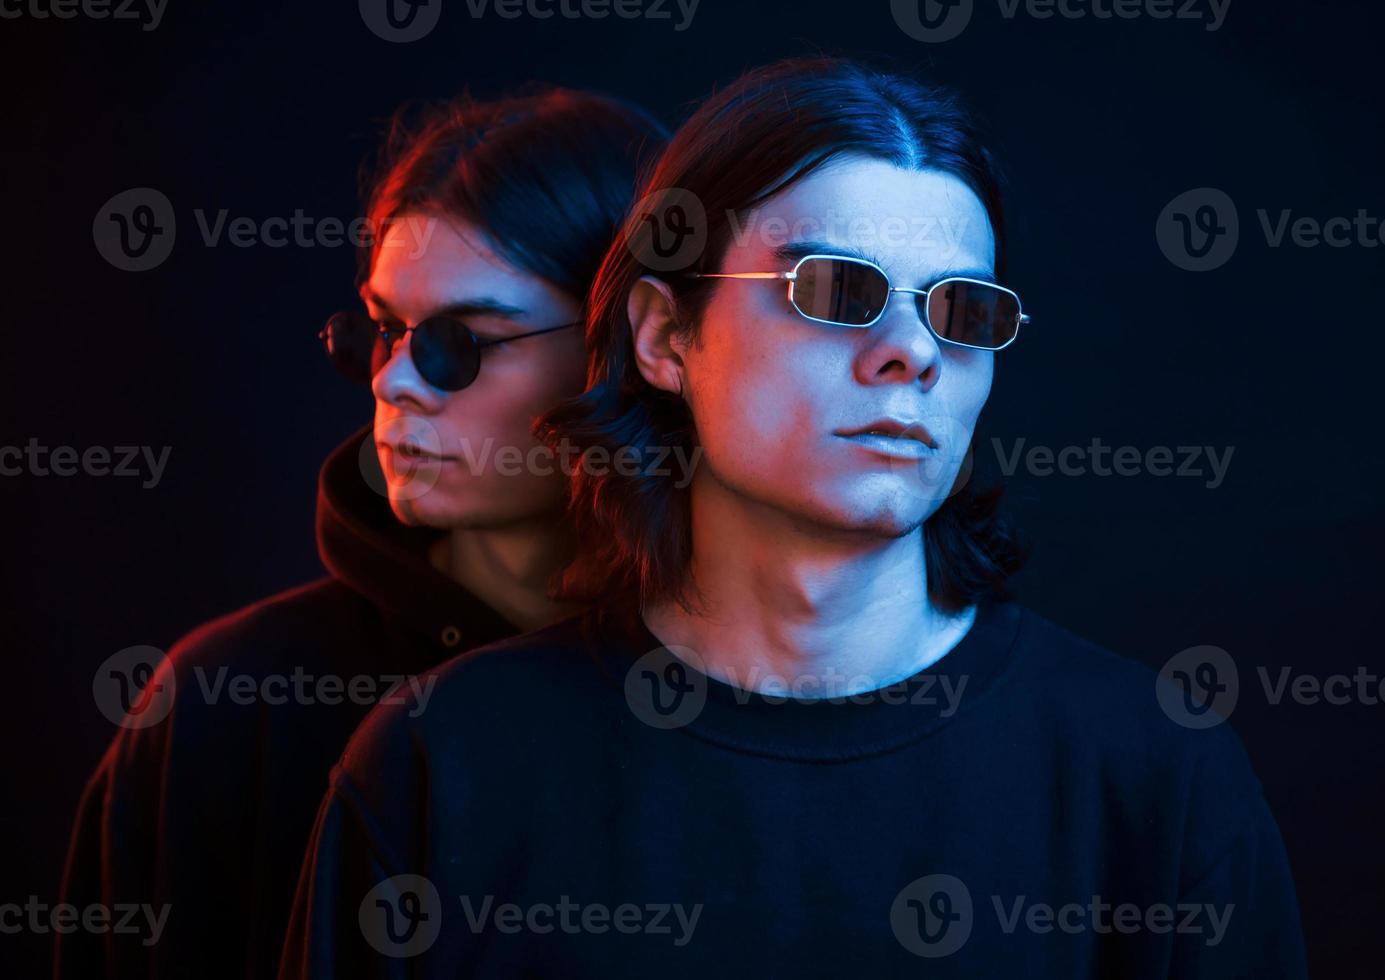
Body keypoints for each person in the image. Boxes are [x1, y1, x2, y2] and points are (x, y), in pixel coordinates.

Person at [279, 57, 1308, 977]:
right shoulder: (445, 762)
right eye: (836, 289)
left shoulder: (1151, 772)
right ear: (665, 335)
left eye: (963, 309)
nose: (911, 351)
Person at [54, 87, 666, 980]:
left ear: (634, 345)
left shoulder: (736, 679)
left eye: (463, 341)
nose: (395, 382)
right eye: (383, 330)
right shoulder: (230, 708)